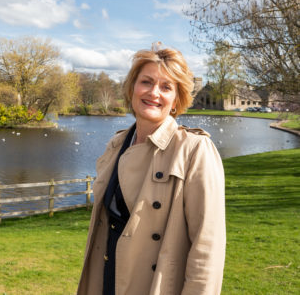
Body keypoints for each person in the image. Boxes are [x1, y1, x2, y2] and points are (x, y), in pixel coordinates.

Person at [77, 44, 226, 295]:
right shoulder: (116, 144)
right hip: (107, 280)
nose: (154, 92)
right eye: (146, 82)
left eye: (166, 87)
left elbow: (207, 248)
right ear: (132, 88)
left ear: (177, 99)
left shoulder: (195, 150)